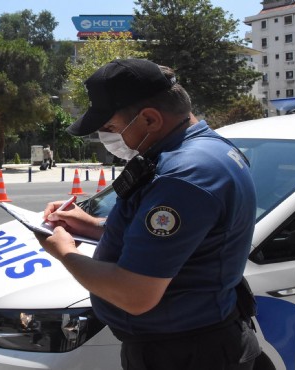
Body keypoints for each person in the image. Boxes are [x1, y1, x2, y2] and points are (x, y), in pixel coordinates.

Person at [36, 59, 260, 370]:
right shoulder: (205, 150)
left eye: (111, 128)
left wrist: (66, 254)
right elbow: (172, 241)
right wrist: (89, 224)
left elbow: (135, 295)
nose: (110, 139)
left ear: (150, 119)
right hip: (187, 344)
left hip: (185, 354)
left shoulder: (184, 175)